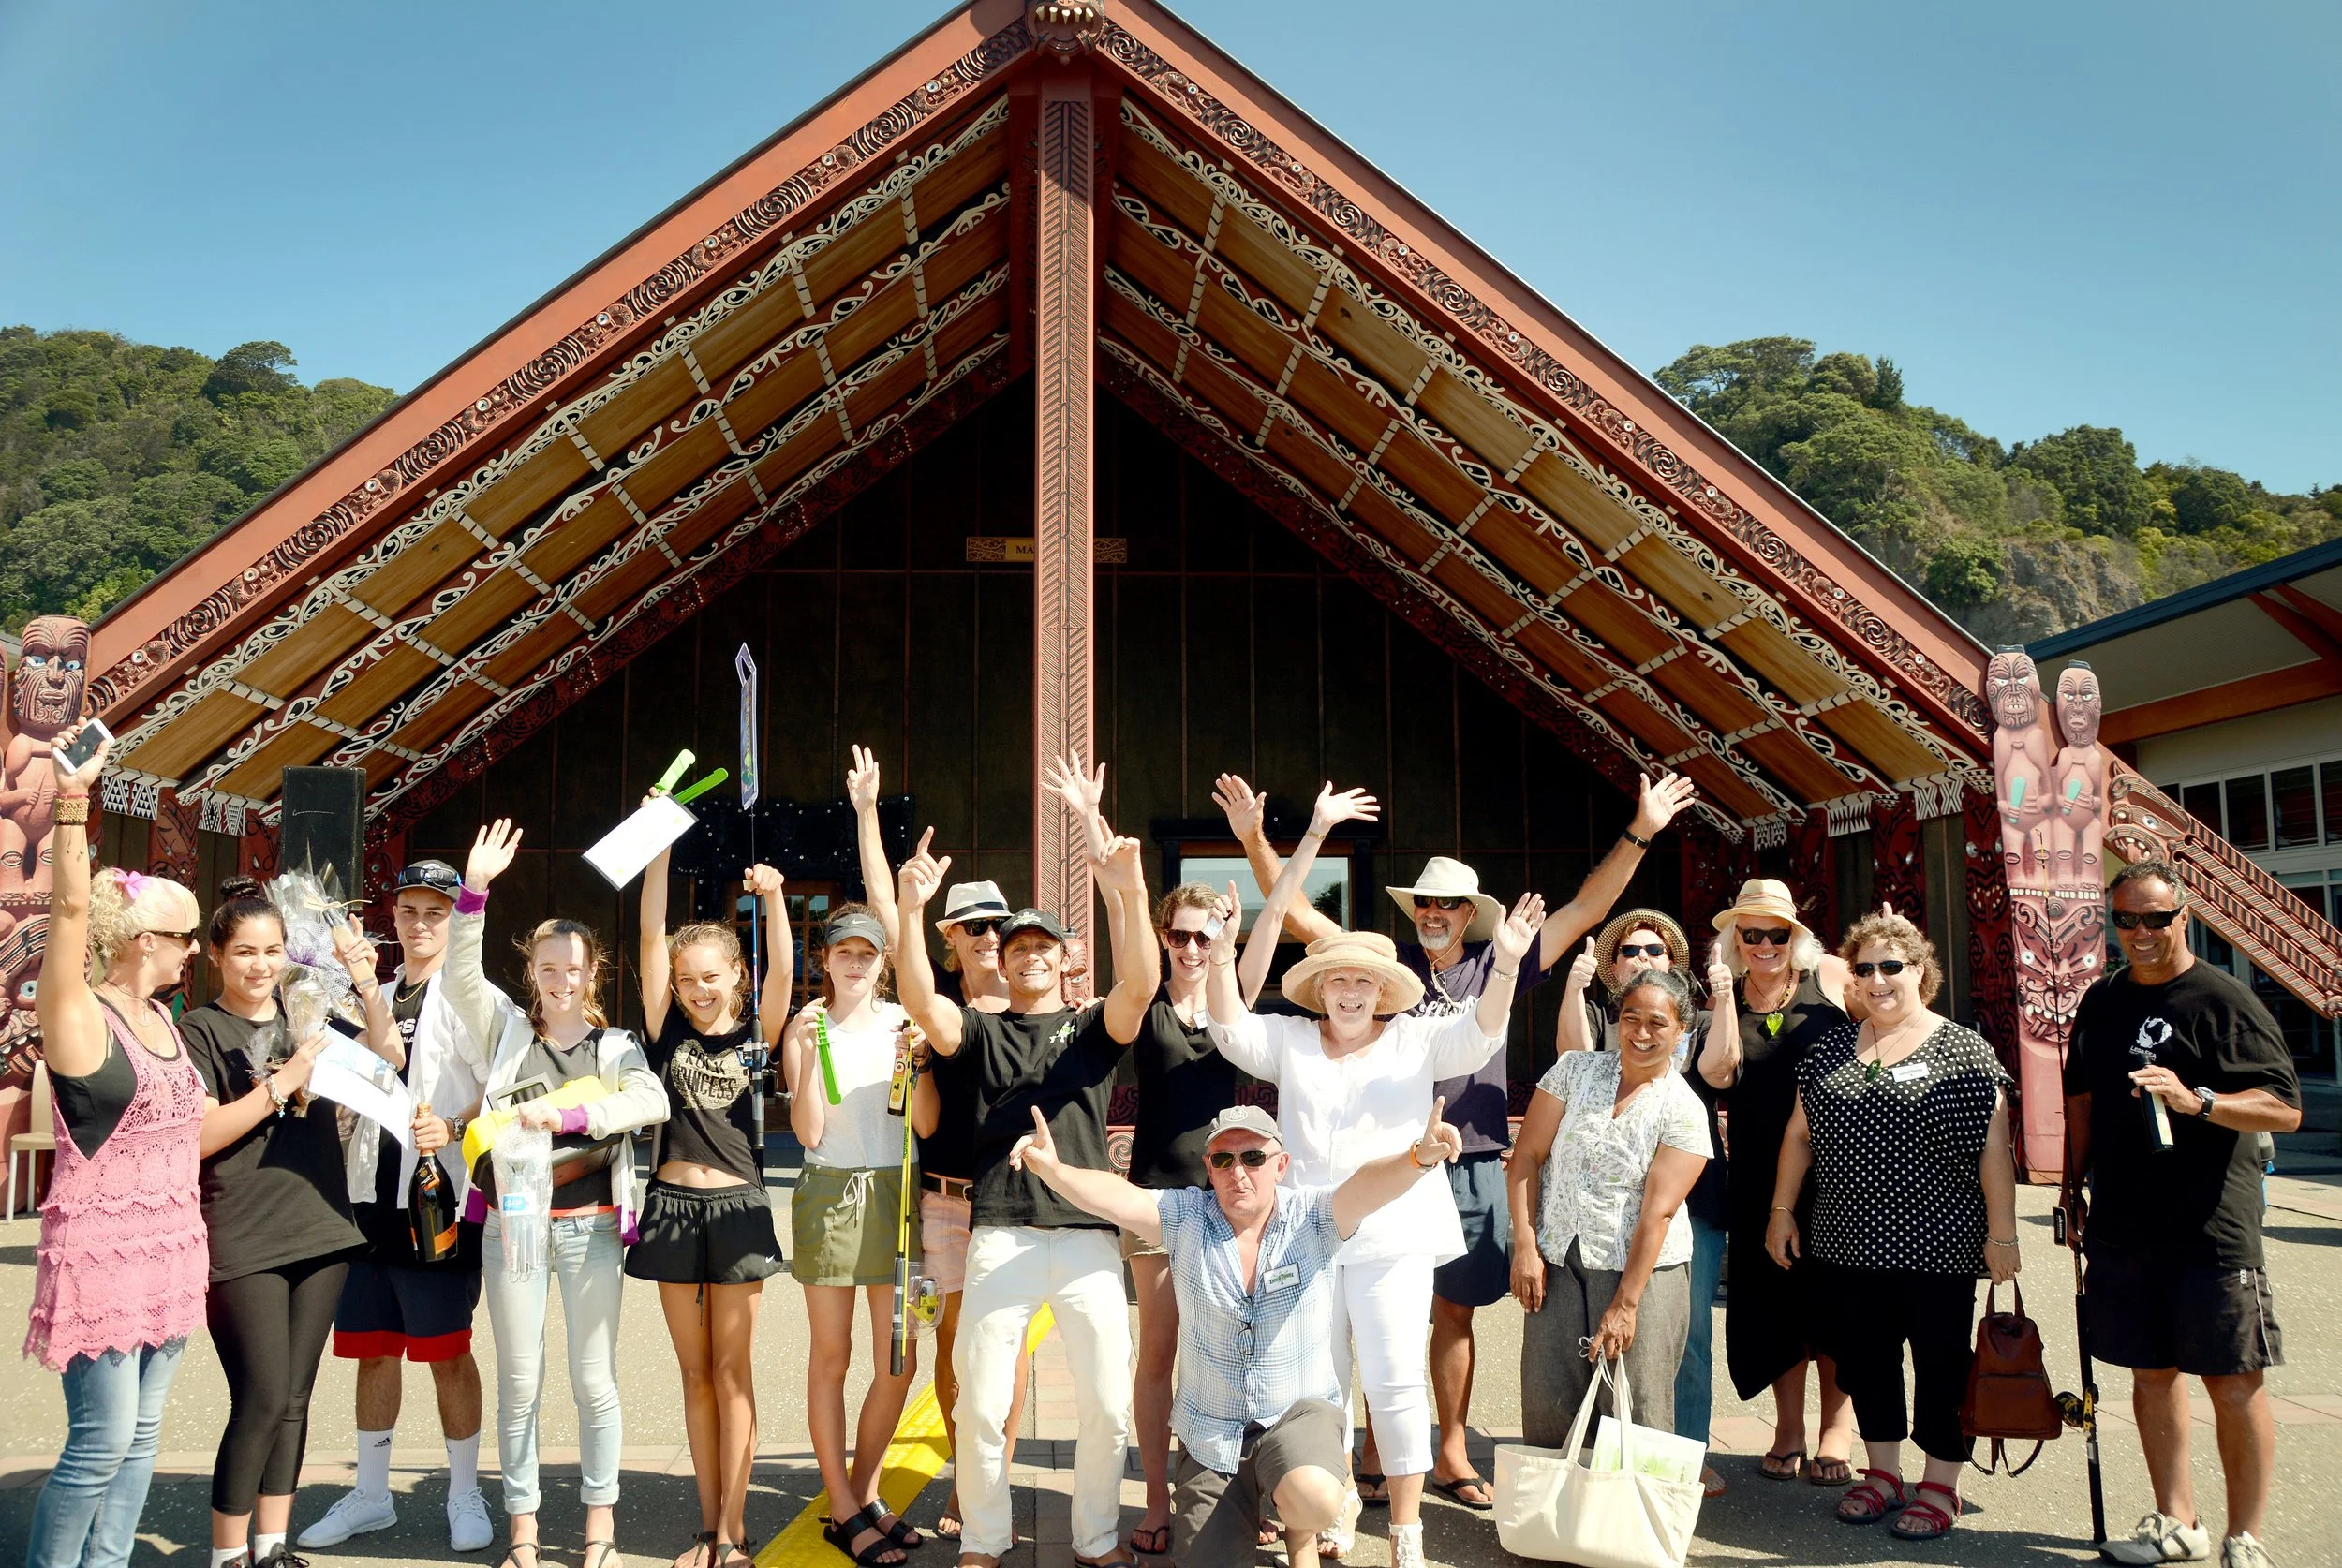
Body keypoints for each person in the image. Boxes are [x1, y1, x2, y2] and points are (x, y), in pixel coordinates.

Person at [1216, 768, 1698, 1513]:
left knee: (1453, 1314)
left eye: (1450, 904)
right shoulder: (1376, 969)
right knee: (1375, 1317)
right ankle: (1374, 1455)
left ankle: (1447, 1449)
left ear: (1471, 913)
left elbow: (1586, 908)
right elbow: (1300, 912)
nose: (1436, 913)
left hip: (1472, 1158)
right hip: (1383, 1171)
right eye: (1426, 903)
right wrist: (1253, 838)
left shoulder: (1496, 959)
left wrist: (1641, 830)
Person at [1208, 831, 1542, 1568]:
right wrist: (1226, 953)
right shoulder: (1289, 1039)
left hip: (1394, 1233)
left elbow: (1482, 1035)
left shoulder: (1417, 1040)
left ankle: (1406, 1530)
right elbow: (1227, 1027)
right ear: (1319, 988)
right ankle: (1330, 1508)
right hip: (1309, 1237)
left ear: (1384, 991)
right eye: (1337, 982)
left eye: (1364, 983)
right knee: (1316, 1381)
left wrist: (1509, 962)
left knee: (1393, 1379)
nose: (1351, 992)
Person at [1011, 1095, 1469, 1567]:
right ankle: (1248, 1509)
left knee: (1310, 1495)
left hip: (1295, 1418)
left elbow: (1366, 1186)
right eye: (1224, 1160)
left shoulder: (1312, 1216)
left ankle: (1301, 1533)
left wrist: (1417, 1157)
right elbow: (1120, 1197)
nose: (1239, 1172)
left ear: (1281, 1165)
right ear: (1209, 1169)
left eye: (1253, 1157)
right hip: (1213, 1434)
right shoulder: (1188, 1217)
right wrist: (1054, 1170)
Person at [893, 762, 1160, 1568]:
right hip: (1000, 1233)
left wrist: (1130, 891)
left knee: (1108, 1405)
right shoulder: (976, 1031)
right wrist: (909, 912)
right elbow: (917, 1000)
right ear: (1001, 962)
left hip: (1085, 1236)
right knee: (979, 1403)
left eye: (1044, 947)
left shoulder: (1091, 1030)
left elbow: (1142, 984)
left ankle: (1096, 1540)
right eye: (1018, 948)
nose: (1031, 958)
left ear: (1064, 959)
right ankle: (982, 1539)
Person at [445, 821, 672, 1568]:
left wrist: (571, 1115)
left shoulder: (615, 1048)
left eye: (572, 968)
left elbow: (650, 1102)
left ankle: (599, 1532)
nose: (560, 979)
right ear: (532, 969)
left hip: (591, 1227)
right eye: (547, 966)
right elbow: (458, 980)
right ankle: (524, 1532)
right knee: (519, 1381)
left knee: (593, 1379)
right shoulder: (507, 1032)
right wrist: (472, 893)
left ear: (592, 971)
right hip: (512, 1228)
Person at [2064, 859, 2301, 1568]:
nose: (2140, 932)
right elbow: (2080, 1099)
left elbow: (2284, 1108)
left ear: (2183, 917)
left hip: (2211, 1230)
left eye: (2155, 918)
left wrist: (2198, 1101)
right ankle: (2178, 1522)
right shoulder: (2101, 1000)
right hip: (2124, 1224)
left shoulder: (2222, 1000)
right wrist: (2071, 1188)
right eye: (2126, 919)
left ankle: (2245, 1535)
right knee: (2150, 1374)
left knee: (2233, 1381)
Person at [1766, 911, 2018, 1542]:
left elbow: (1995, 1149)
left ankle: (1940, 1485)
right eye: (1865, 970)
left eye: (1891, 968)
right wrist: (1780, 1209)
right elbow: (1798, 1136)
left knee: (1939, 1364)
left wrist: (2004, 1234)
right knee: (1866, 1360)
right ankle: (1882, 1476)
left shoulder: (1963, 1048)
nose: (1878, 981)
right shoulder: (1829, 1051)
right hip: (1847, 1243)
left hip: (1941, 1244)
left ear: (1919, 973)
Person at [22, 724, 208, 1568]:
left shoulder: (163, 1017)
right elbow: (65, 910)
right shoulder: (78, 1015)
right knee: (98, 1446)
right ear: (143, 941)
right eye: (188, 935)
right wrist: (72, 801)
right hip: (102, 1259)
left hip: (170, 1253)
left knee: (141, 1443)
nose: (197, 949)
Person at [181, 877, 394, 1568]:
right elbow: (202, 1135)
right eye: (244, 951)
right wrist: (284, 1080)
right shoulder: (198, 1030)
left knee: (296, 1398)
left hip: (321, 1226)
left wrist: (364, 983)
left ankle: (271, 1546)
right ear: (217, 955)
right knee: (262, 1395)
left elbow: (387, 1058)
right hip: (242, 1233)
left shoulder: (307, 1015)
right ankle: (226, 1554)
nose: (260, 965)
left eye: (273, 950)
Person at [848, 746, 1031, 1544]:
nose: (990, 938)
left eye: (1000, 926)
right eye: (975, 928)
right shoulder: (936, 1006)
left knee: (1012, 1351)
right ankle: (968, 1475)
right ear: (952, 937)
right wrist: (864, 814)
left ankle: (994, 1478)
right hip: (949, 1200)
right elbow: (893, 916)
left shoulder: (1038, 992)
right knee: (954, 1349)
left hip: (1022, 1201)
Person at [300, 855, 497, 1554]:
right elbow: (367, 1069)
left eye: (435, 912)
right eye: (409, 911)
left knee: (446, 1351)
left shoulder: (477, 997)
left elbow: (502, 1088)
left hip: (436, 1198)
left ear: (455, 919)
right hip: (369, 1197)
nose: (419, 923)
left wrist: (456, 1126)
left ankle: (465, 1492)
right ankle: (372, 1494)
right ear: (394, 917)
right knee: (372, 1350)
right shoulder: (373, 991)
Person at [628, 819, 793, 1568]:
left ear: (736, 976)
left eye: (712, 975)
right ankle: (705, 1527)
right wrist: (659, 853)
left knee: (732, 1373)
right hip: (668, 1208)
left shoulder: (757, 1031)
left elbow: (786, 970)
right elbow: (649, 934)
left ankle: (734, 1532)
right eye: (686, 977)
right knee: (692, 1374)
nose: (698, 988)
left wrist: (778, 899)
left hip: (738, 1212)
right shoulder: (664, 1031)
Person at [1555, 910, 1737, 1495]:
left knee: (1681, 1342)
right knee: (1601, 1351)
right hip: (1597, 1215)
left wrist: (1726, 996)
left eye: (1655, 951)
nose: (1643, 959)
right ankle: (1601, 1480)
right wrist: (1573, 987)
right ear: (1613, 968)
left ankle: (1684, 1457)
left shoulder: (1695, 1018)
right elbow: (1568, 1059)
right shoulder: (1597, 1022)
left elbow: (1721, 1070)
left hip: (1687, 1194)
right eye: (1630, 951)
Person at [1508, 969, 1711, 1450]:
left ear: (1682, 1029)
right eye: (1630, 1017)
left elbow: (1657, 1213)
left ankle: (1628, 1524)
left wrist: (1625, 1304)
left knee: (1633, 1410)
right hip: (1557, 1262)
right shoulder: (1575, 1071)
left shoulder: (1682, 1108)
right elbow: (1526, 1157)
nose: (1641, 1033)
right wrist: (1525, 1245)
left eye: (1658, 1023)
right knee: (1549, 1400)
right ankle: (1552, 1522)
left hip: (1641, 1273)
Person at [781, 904, 926, 1567]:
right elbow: (808, 1132)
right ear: (826, 958)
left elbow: (921, 1121)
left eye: (868, 953)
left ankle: (865, 1492)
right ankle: (841, 1505)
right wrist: (810, 1056)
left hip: (897, 1192)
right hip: (831, 1193)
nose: (857, 963)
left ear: (883, 961)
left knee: (899, 1358)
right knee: (832, 1356)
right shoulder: (806, 1024)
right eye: (845, 951)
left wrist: (915, 1064)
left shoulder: (904, 1023)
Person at [1700, 877, 1857, 1487]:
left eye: (1777, 932)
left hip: (1838, 1171)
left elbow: (1903, 1015)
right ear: (1736, 938)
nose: (1765, 943)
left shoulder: (1835, 978)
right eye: (1752, 932)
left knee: (1837, 1302)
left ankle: (1837, 1431)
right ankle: (1789, 1428)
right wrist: (1718, 1002)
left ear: (1797, 935)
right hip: (1760, 1172)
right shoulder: (1724, 996)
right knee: (1776, 1302)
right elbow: (1716, 1078)